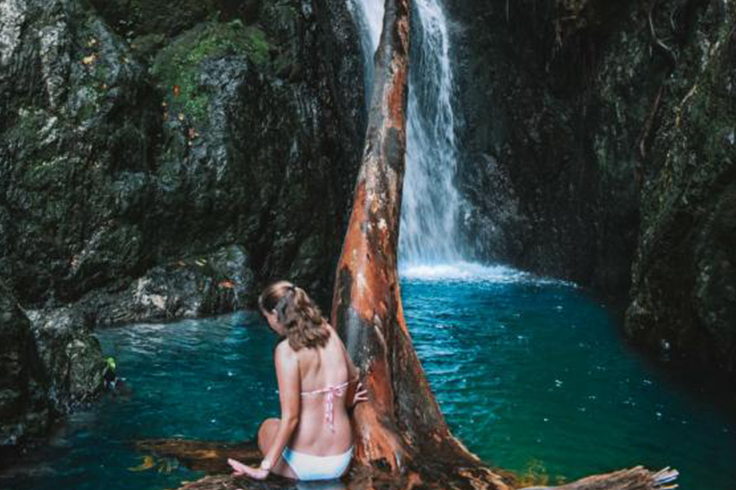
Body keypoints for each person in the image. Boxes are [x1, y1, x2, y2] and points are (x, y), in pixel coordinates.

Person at [227, 280, 368, 481]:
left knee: (267, 426)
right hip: (341, 461)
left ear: (276, 316)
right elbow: (354, 377)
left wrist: (263, 468)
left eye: (267, 317)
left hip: (304, 465)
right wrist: (348, 401)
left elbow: (291, 418)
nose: (269, 323)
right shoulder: (330, 333)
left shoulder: (286, 351)